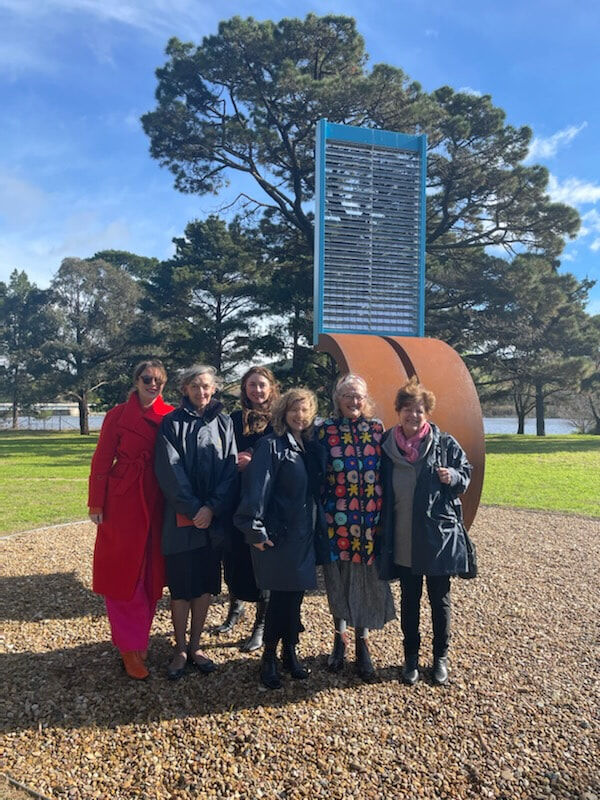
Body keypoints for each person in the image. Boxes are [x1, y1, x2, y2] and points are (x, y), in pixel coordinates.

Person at [378, 377, 472, 686]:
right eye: (407, 409)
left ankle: (440, 658)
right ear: (398, 412)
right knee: (410, 600)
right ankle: (411, 658)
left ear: (426, 413)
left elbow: (466, 473)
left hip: (436, 539)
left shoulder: (444, 444)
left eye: (418, 410)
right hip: (403, 537)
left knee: (439, 600)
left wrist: (454, 476)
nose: (412, 415)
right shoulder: (386, 445)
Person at [234, 388, 325, 690]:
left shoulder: (310, 447)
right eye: (294, 409)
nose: (300, 415)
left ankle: (290, 653)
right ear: (283, 412)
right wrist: (254, 529)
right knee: (278, 601)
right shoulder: (271, 446)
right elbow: (256, 490)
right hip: (279, 536)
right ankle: (269, 657)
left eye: (305, 410)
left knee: (295, 599)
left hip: (305, 535)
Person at [88, 359, 174, 680]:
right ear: (136, 381)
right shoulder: (117, 415)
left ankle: (139, 639)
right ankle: (128, 647)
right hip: (123, 499)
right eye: (147, 379)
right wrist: (96, 502)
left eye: (159, 381)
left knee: (151, 572)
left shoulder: (170, 415)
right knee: (123, 571)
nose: (153, 385)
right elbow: (101, 458)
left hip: (157, 500)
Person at [154, 365, 237, 680]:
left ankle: (197, 645)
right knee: (180, 589)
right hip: (181, 519)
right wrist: (194, 509)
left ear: (213, 388)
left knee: (204, 586)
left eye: (206, 386)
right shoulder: (171, 423)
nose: (201, 392)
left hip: (212, 520)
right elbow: (169, 470)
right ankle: (179, 649)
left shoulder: (224, 423)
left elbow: (230, 469)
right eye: (194, 386)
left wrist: (213, 509)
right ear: (184, 389)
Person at [316, 374, 395, 681]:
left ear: (366, 399)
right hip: (336, 521)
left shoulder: (377, 430)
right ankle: (339, 637)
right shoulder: (325, 431)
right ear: (337, 398)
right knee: (337, 580)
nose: (353, 401)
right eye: (347, 395)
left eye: (358, 396)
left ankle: (362, 642)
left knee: (364, 580)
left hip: (368, 523)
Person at [216, 366, 280, 652]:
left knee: (262, 560)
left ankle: (261, 625)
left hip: (265, 501)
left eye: (261, 385)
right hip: (235, 497)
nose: (256, 390)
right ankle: (235, 609)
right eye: (251, 385)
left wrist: (254, 459)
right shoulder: (232, 419)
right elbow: (219, 451)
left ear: (271, 388)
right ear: (244, 389)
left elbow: (283, 452)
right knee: (234, 557)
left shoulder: (279, 420)